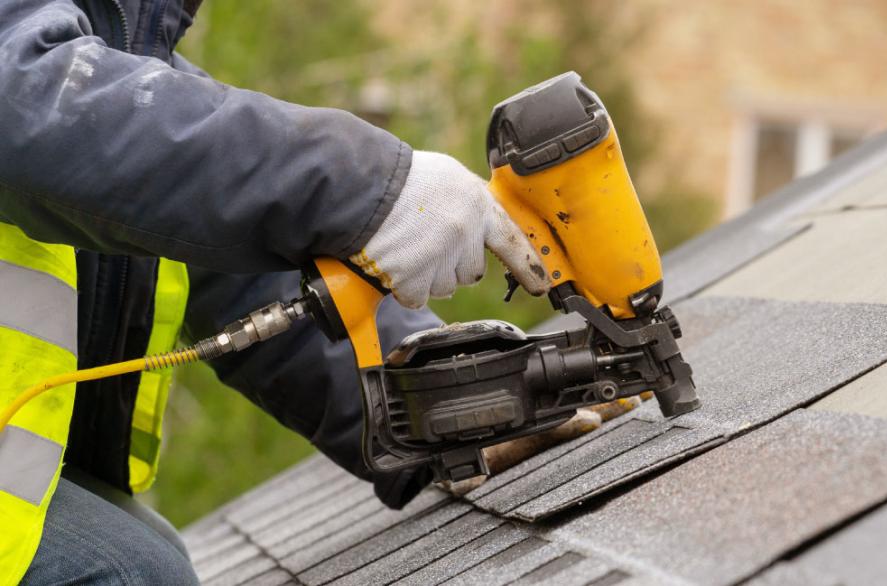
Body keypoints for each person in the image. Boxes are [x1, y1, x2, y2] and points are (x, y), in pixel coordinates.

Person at [0, 1, 629, 583]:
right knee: (129, 575)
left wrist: (438, 400)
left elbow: (246, 279)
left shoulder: (121, 47)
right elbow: (28, 101)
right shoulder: (79, 65)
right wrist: (362, 190)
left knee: (139, 548)